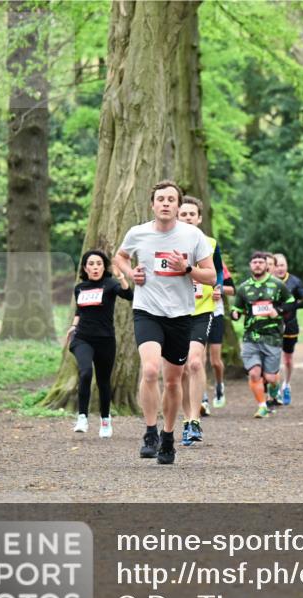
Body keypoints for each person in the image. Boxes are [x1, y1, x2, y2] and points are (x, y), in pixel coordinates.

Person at [113, 180, 216, 465]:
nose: (166, 203)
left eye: (172, 199)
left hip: (181, 315)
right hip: (147, 310)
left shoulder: (193, 236)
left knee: (172, 381)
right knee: (149, 370)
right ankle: (149, 432)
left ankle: (168, 436)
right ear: (153, 204)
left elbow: (211, 277)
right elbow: (119, 257)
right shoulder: (138, 233)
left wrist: (187, 269)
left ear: (179, 205)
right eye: (161, 199)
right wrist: (130, 272)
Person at [66, 249, 133, 437]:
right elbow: (80, 310)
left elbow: (128, 295)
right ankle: (82, 417)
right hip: (83, 338)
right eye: (91, 264)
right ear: (85, 268)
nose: (95, 267)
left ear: (104, 267)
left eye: (98, 264)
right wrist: (73, 326)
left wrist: (121, 277)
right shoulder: (79, 288)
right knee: (85, 372)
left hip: (105, 339)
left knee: (103, 381)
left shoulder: (110, 284)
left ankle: (105, 420)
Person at [177, 196, 223, 445]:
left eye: (191, 214)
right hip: (174, 310)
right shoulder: (168, 242)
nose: (187, 218)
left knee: (195, 362)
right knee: (182, 366)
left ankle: (195, 419)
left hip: (201, 309)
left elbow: (219, 274)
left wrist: (217, 287)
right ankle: (185, 418)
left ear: (199, 217)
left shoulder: (210, 243)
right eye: (183, 214)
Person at [231, 251, 295, 418]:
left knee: (271, 377)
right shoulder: (244, 287)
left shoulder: (277, 285)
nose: (258, 265)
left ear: (267, 265)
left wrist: (278, 311)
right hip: (251, 336)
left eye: (261, 262)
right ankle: (262, 406)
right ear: (250, 266)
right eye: (254, 262)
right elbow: (236, 309)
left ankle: (274, 388)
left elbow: (291, 303)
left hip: (272, 336)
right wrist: (235, 314)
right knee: (254, 373)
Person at [272, 252, 303, 405]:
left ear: (287, 266)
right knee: (272, 357)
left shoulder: (295, 282)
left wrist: (291, 305)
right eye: (276, 265)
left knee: (287, 359)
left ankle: (286, 384)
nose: (279, 268)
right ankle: (273, 390)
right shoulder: (268, 282)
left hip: (290, 325)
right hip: (271, 326)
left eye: (282, 265)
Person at [206, 258, 235, 410]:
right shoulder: (186, 262)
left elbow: (232, 289)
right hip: (193, 314)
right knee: (195, 361)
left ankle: (219, 385)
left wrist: (220, 290)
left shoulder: (217, 264)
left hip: (215, 314)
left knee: (215, 362)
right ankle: (202, 397)